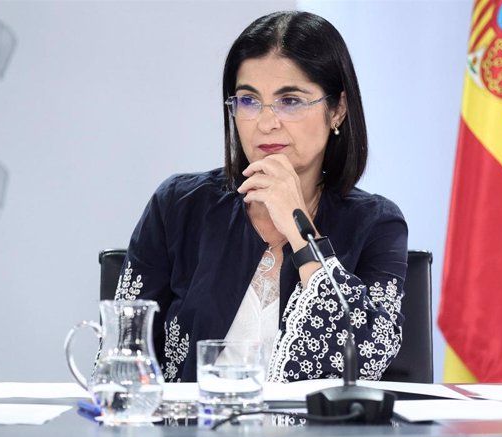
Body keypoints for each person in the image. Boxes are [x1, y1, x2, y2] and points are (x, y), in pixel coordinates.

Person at [115, 10, 408, 383]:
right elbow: (122, 357)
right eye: (249, 101)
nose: (266, 122)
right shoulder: (178, 205)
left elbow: (366, 357)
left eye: (290, 101)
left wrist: (300, 230)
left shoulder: (377, 223)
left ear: (337, 110)